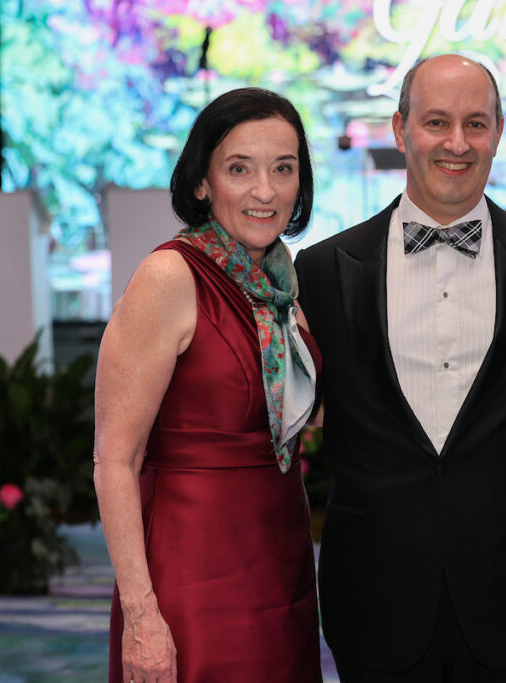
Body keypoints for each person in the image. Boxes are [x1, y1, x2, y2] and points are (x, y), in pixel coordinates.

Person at [294, 54, 506, 681]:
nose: (457, 144)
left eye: (475, 124)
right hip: (375, 597)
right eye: (436, 122)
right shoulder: (321, 272)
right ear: (401, 130)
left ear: (499, 131)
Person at [92, 87, 322, 683]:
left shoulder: (281, 283)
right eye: (239, 168)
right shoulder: (170, 275)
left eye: (283, 168)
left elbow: (299, 419)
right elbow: (115, 460)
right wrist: (143, 614)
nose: (265, 190)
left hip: (283, 566)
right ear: (202, 182)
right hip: (192, 574)